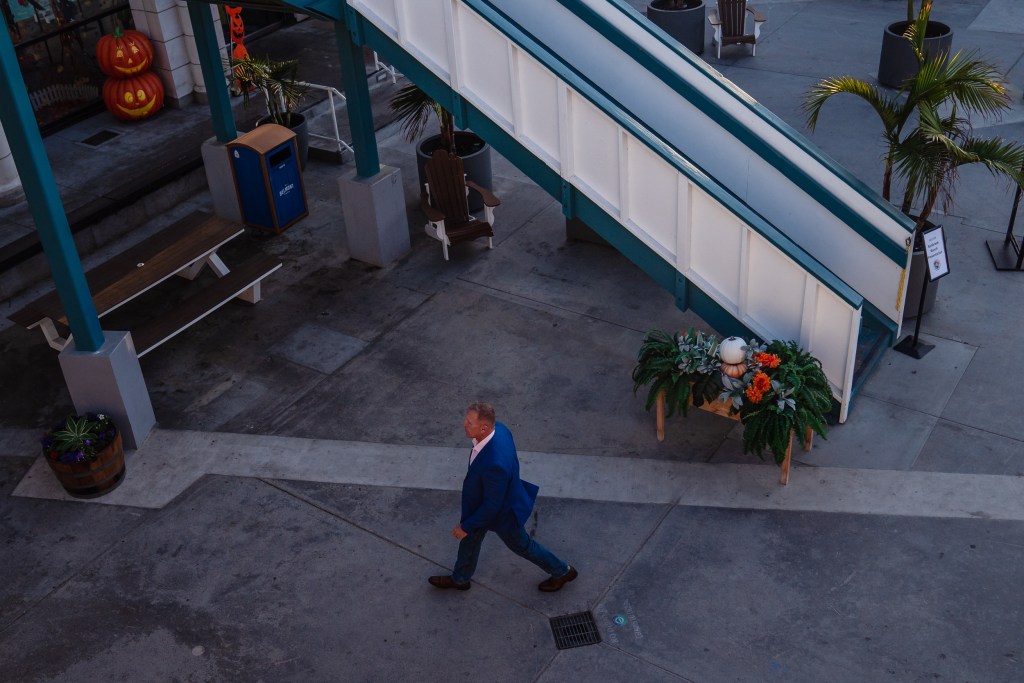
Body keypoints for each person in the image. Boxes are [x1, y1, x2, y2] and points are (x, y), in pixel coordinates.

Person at [428, 402, 578, 592]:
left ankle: (562, 571)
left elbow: (492, 505)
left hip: (502, 514)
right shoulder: (500, 429)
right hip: (484, 505)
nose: (464, 424)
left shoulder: (495, 464)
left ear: (484, 428)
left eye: (469, 422)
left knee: (522, 546)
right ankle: (460, 579)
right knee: (470, 540)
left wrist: (465, 525)